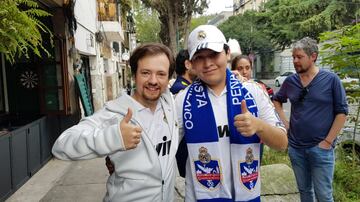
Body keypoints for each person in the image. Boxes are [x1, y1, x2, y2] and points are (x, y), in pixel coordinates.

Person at [52, 43, 179, 202]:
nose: (153, 80)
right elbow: (62, 145)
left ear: (168, 78)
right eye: (146, 73)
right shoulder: (114, 113)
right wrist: (113, 138)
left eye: (161, 74)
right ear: (134, 75)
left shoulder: (170, 105)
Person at [175, 24, 288, 201]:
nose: (207, 63)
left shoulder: (253, 91)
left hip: (246, 194)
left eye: (213, 54)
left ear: (227, 53)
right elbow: (162, 147)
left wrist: (259, 126)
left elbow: (282, 143)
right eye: (199, 57)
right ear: (191, 64)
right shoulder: (182, 100)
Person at [273, 37, 348, 202]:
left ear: (313, 56)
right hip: (296, 148)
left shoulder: (330, 80)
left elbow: (341, 112)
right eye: (293, 57)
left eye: (299, 57)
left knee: (324, 195)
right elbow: (277, 100)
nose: (295, 61)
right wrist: (285, 123)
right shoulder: (290, 81)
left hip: (321, 149)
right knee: (305, 192)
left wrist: (328, 141)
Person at [170, 49, 196, 178]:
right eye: (196, 61)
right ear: (187, 64)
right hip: (186, 156)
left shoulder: (186, 86)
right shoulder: (180, 90)